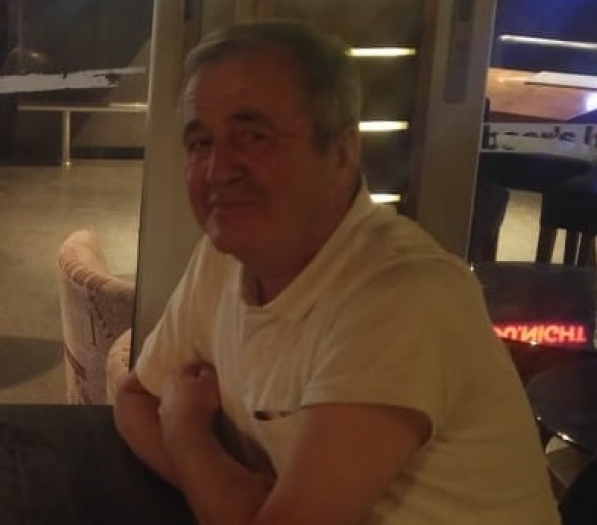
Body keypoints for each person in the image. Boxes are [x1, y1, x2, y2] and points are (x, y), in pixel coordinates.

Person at [114, 20, 560, 525]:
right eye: (200, 143)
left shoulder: (404, 297)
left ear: (343, 153)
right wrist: (224, 488)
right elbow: (135, 397)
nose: (218, 171)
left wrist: (186, 433)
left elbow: (164, 414)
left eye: (253, 136)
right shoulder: (225, 257)